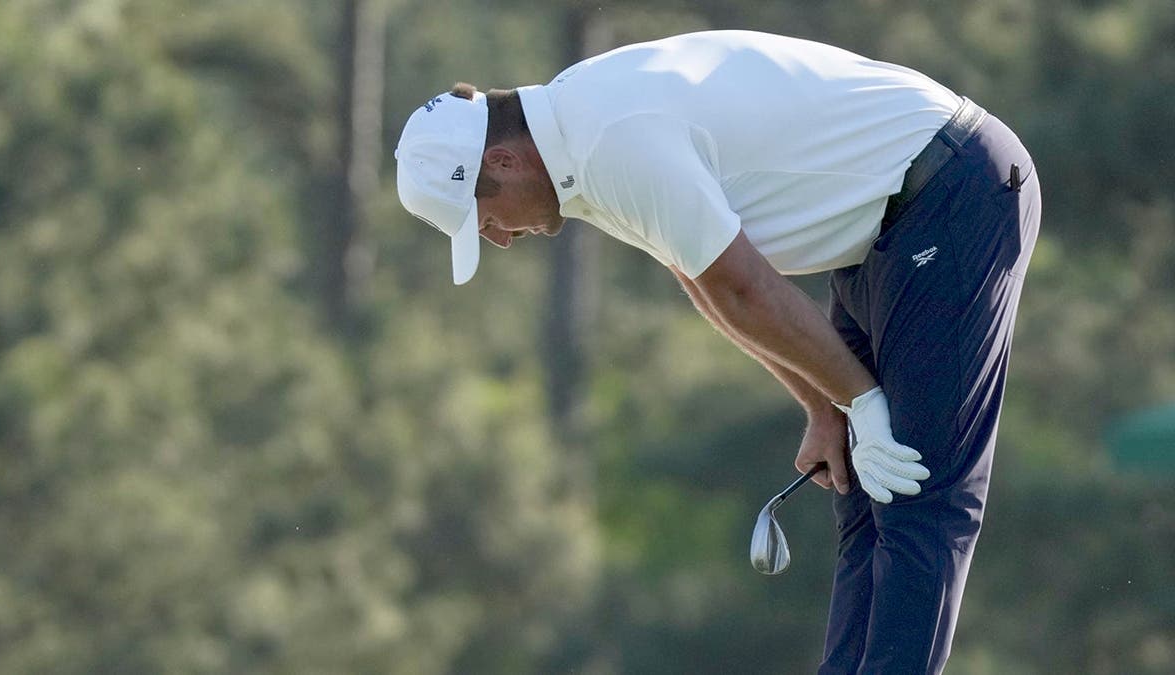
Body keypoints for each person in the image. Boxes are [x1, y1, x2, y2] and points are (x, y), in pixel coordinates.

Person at [394, 30, 1040, 674]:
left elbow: (742, 284)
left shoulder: (609, 136)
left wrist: (862, 397)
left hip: (953, 189)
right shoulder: (576, 148)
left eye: (483, 218)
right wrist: (825, 404)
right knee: (866, 488)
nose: (498, 239)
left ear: (504, 162)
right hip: (880, 233)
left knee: (920, 492)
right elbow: (707, 283)